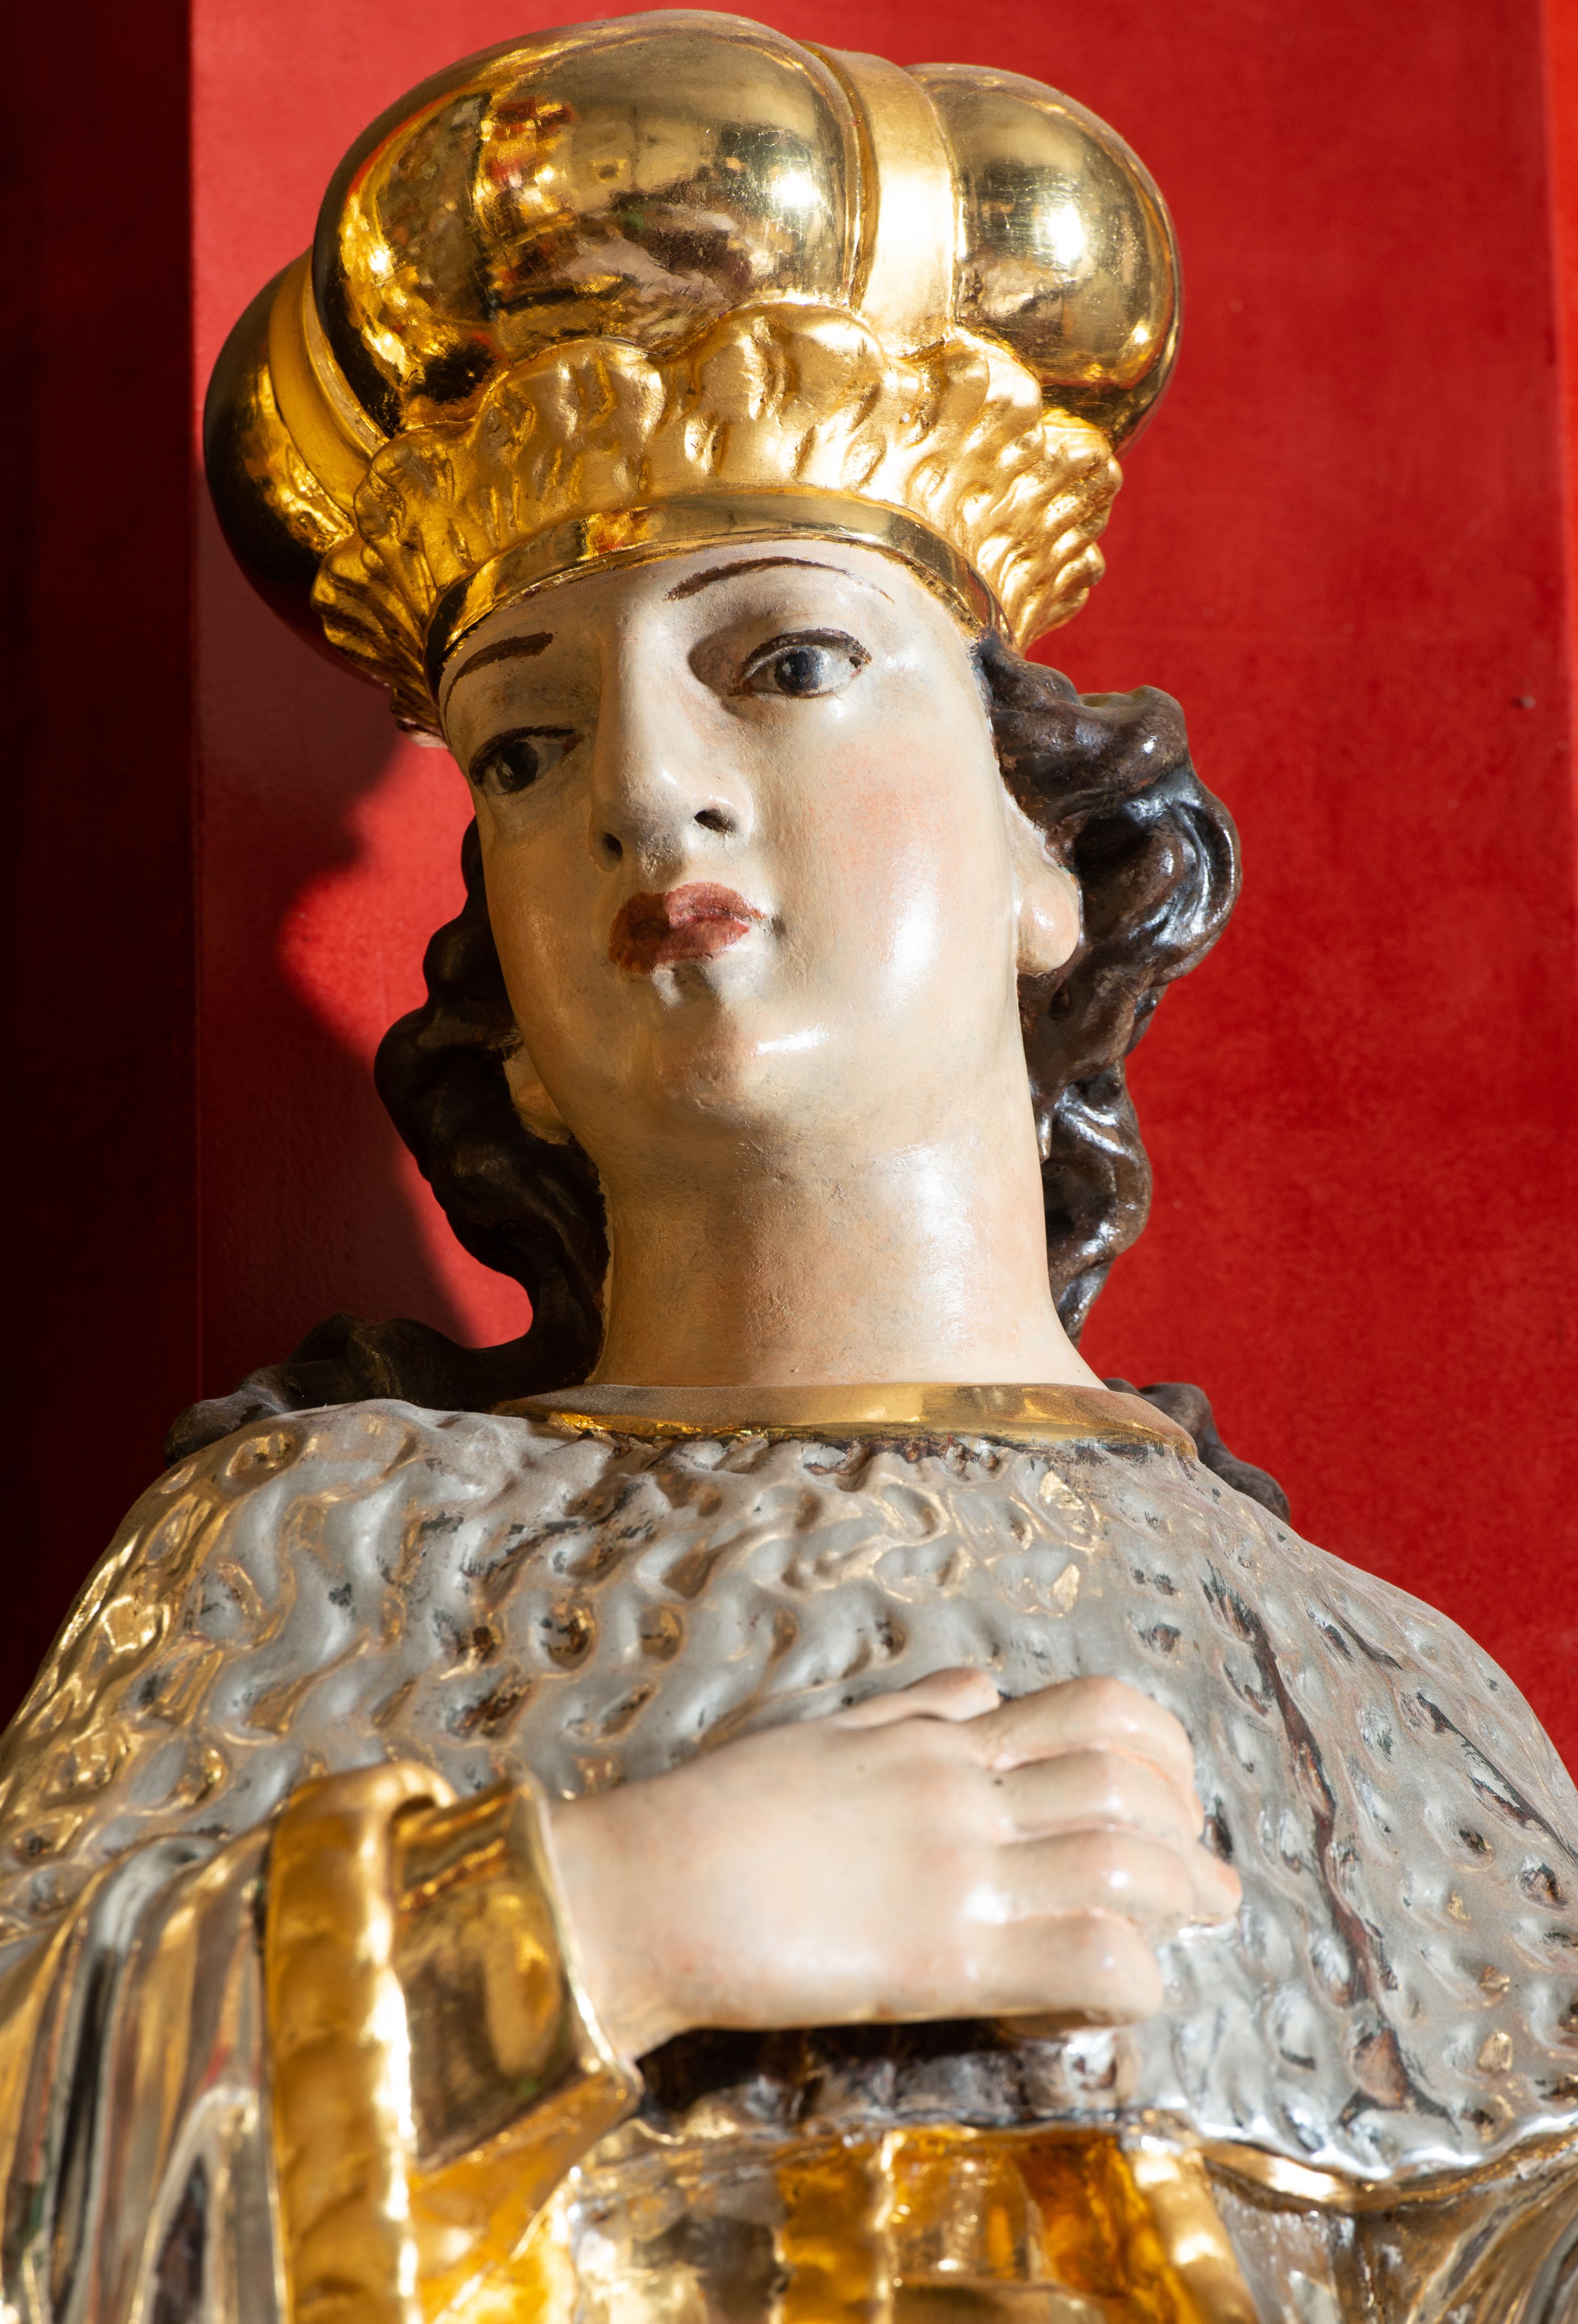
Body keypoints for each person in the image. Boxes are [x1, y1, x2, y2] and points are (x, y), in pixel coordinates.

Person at [3, 17, 1576, 2320]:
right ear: (512, 1018)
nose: (645, 784)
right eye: (525, 745)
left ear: (1049, 860)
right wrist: (614, 1916)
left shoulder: (1389, 1702)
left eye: (791, 660)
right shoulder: (322, 1559)